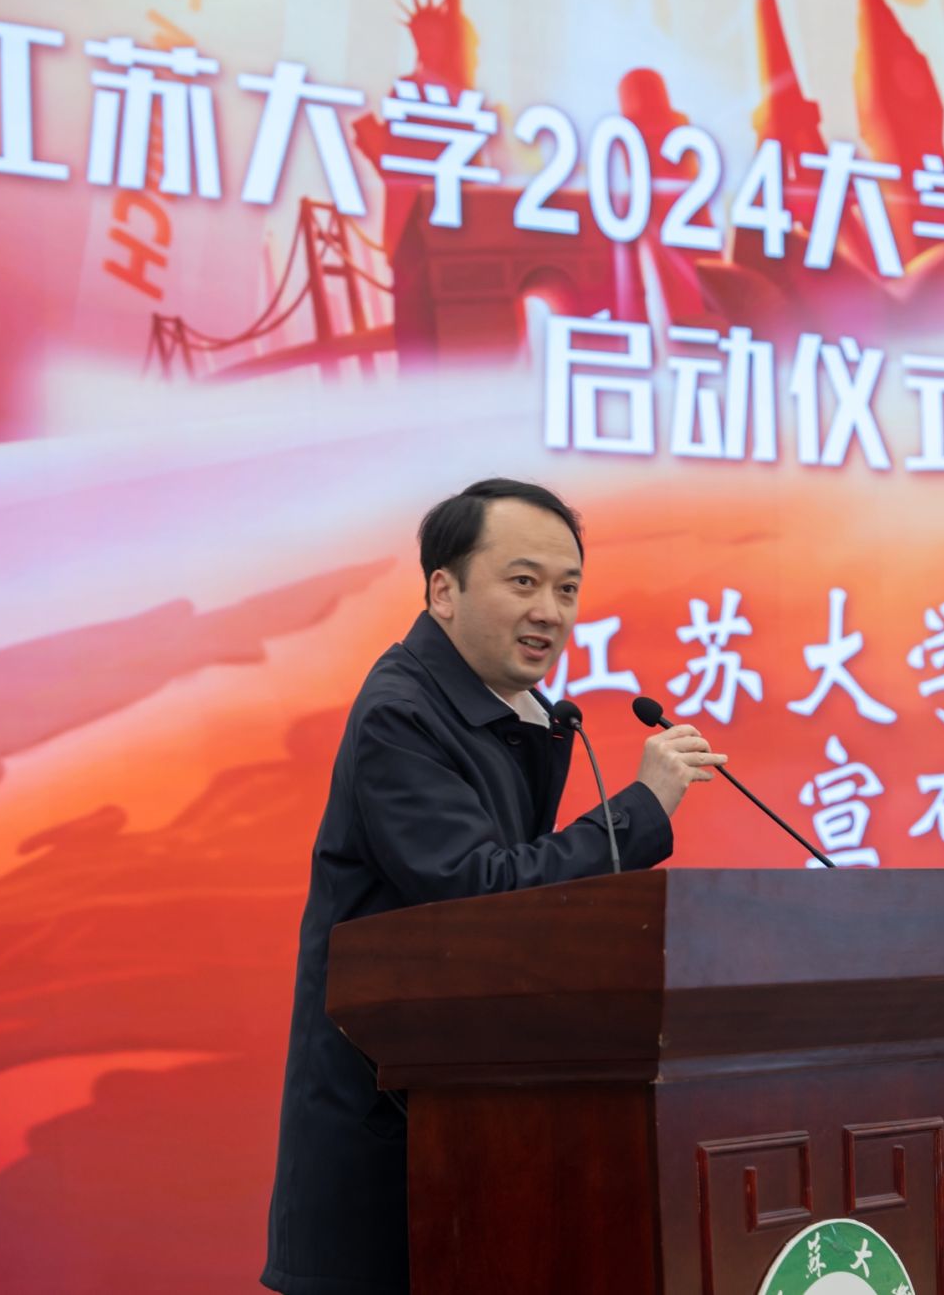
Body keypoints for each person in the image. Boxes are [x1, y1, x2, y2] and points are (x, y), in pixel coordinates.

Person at [262, 478, 723, 1294]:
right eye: (523, 581)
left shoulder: (501, 711)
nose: (551, 610)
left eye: (567, 589)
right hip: (391, 1147)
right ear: (444, 590)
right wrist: (641, 810)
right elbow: (480, 894)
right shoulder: (402, 715)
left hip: (469, 1133)